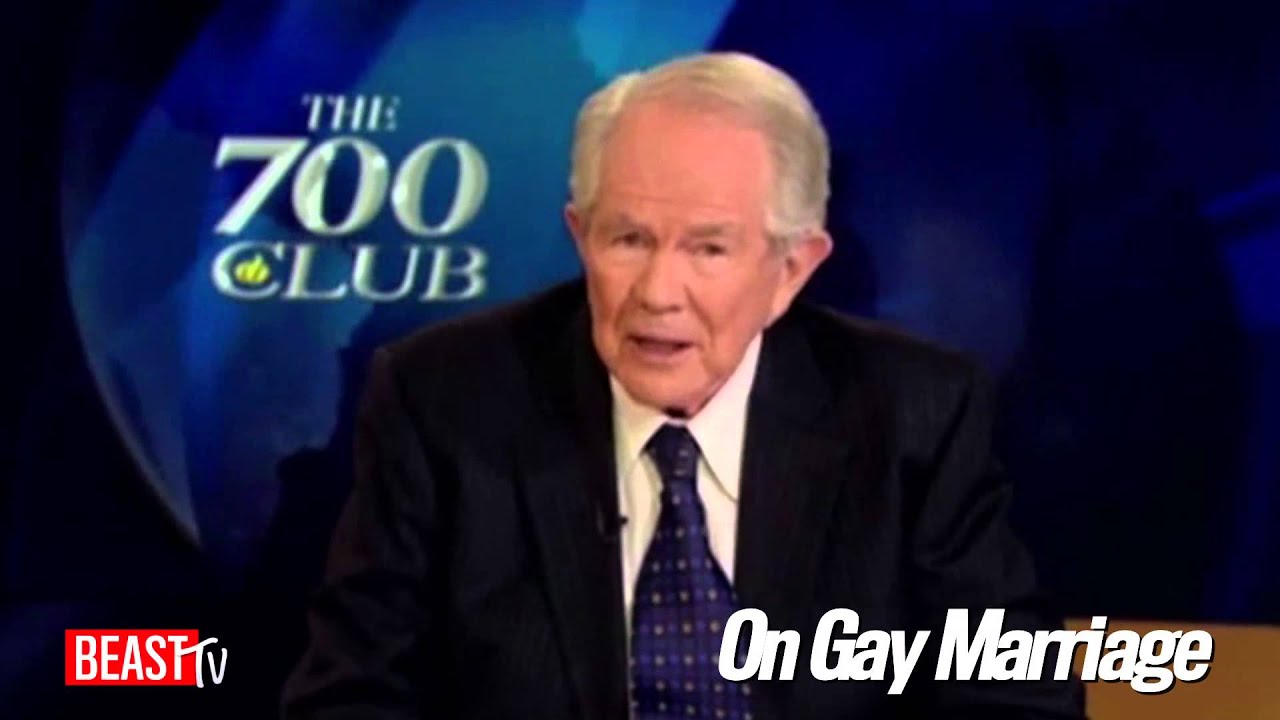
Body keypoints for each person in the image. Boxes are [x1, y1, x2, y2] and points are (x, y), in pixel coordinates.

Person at [281, 52, 1084, 720]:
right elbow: (351, 696)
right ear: (580, 235)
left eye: (708, 249)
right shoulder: (444, 402)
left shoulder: (914, 415)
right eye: (628, 239)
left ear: (791, 269)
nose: (658, 292)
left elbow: (1014, 696)